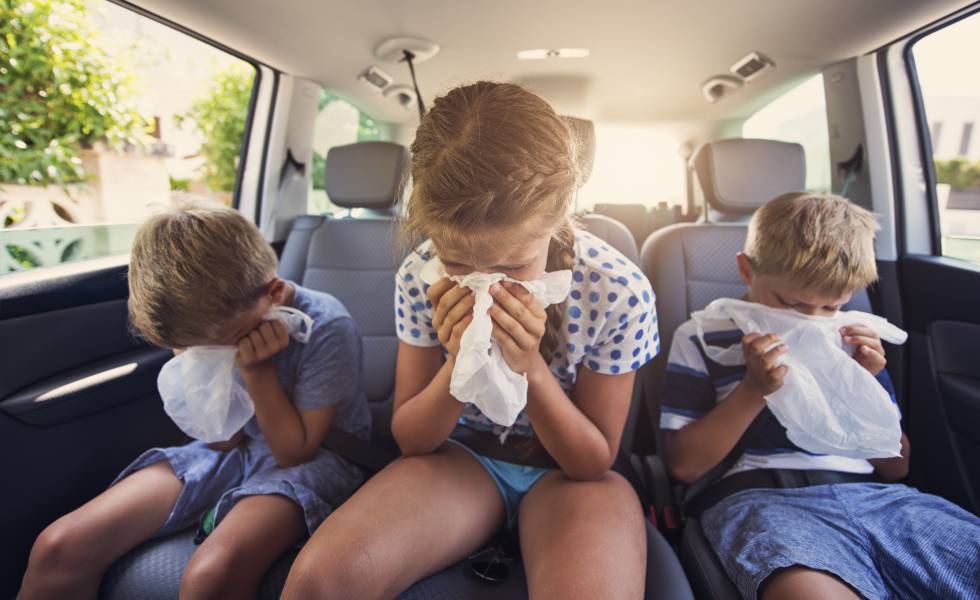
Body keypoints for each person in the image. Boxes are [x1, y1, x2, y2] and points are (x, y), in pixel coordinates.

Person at [281, 81, 658, 599]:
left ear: (560, 214)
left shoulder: (618, 291)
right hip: (461, 459)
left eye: (513, 266)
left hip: (568, 476)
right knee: (317, 584)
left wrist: (530, 367)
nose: (487, 285)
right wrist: (460, 361)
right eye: (458, 264)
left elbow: (593, 462)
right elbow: (412, 439)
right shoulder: (420, 275)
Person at [18, 202, 371, 599]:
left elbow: (294, 452)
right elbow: (223, 439)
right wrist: (197, 360)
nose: (207, 353)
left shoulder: (326, 326)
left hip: (316, 459)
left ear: (272, 295)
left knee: (211, 574)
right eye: (188, 348)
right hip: (234, 450)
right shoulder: (195, 329)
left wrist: (257, 372)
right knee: (59, 546)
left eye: (222, 344)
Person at [661, 192, 980, 600]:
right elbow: (683, 466)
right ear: (745, 270)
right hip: (762, 501)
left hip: (877, 500)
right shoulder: (702, 336)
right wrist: (754, 390)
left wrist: (863, 384)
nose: (810, 320)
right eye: (791, 303)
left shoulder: (850, 340)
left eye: (831, 306)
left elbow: (896, 467)